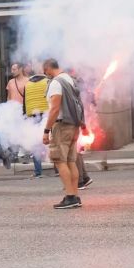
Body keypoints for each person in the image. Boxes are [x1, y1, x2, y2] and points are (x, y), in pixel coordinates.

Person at [42, 58, 85, 209]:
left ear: (48, 67)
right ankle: (75, 195)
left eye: (45, 70)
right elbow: (79, 104)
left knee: (60, 161)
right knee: (71, 161)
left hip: (61, 125)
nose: (45, 73)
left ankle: (70, 196)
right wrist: (81, 126)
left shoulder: (56, 83)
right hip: (74, 125)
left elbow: (54, 109)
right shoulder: (70, 80)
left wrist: (46, 130)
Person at [25, 71, 50, 178]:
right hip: (46, 114)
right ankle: (58, 168)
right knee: (52, 141)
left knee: (35, 143)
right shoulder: (47, 81)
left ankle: (38, 171)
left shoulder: (28, 84)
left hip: (32, 115)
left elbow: (24, 102)